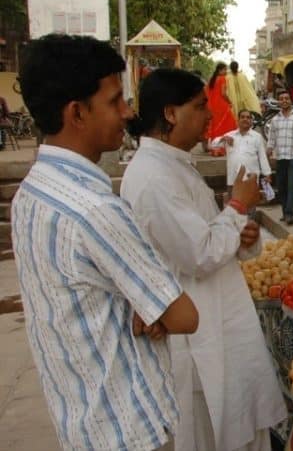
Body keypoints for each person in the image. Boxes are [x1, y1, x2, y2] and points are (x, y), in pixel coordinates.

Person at [13, 34, 199, 450]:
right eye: (115, 101)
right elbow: (185, 316)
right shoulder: (96, 209)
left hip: (80, 420)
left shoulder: (32, 193)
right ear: (76, 113)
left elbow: (82, 288)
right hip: (129, 430)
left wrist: (139, 300)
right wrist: (153, 305)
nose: (128, 112)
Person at [121, 68, 286, 451]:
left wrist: (242, 234)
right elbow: (200, 253)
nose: (210, 116)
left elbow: (211, 235)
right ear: (170, 113)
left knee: (236, 422)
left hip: (217, 313)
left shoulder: (174, 164)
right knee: (209, 429)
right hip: (196, 331)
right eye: (199, 107)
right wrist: (239, 204)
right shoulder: (151, 177)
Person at [266, 89, 293, 225]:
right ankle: (285, 212)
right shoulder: (274, 120)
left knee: (292, 186)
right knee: (282, 187)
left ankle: (291, 214)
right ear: (279, 102)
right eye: (282, 99)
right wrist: (268, 152)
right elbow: (271, 139)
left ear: (290, 101)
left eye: (287, 98)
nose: (284, 100)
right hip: (280, 158)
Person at [214, 108, 272, 189]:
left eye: (248, 117)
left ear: (251, 121)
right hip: (233, 180)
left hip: (251, 179)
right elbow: (213, 144)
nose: (245, 119)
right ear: (238, 120)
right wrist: (223, 138)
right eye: (243, 117)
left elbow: (262, 157)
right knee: (233, 201)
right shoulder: (230, 135)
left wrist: (267, 174)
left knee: (251, 201)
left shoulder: (257, 137)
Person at [206, 62, 238, 147]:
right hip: (222, 105)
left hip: (212, 106)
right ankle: (223, 146)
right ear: (220, 70)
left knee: (216, 125)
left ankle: (215, 146)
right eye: (224, 69)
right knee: (230, 124)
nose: (226, 71)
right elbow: (223, 93)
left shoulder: (211, 79)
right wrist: (229, 101)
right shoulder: (222, 78)